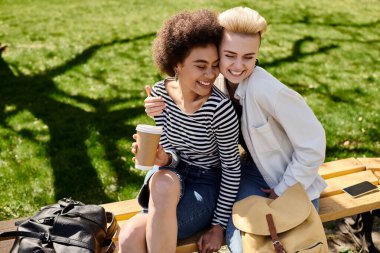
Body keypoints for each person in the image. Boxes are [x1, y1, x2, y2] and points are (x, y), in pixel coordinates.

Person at [144, 6, 327, 253]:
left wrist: (284, 188)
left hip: (285, 179)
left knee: (272, 241)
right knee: (239, 236)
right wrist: (161, 107)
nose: (238, 66)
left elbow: (313, 143)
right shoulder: (216, 81)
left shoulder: (268, 90)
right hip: (249, 172)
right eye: (229, 55)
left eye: (248, 57)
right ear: (217, 50)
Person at [118, 9, 241, 253]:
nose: (210, 75)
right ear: (177, 63)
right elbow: (173, 149)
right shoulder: (160, 94)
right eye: (200, 65)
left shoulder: (220, 109)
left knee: (131, 235)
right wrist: (163, 157)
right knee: (158, 190)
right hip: (169, 177)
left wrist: (218, 225)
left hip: (207, 183)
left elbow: (231, 168)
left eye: (215, 65)